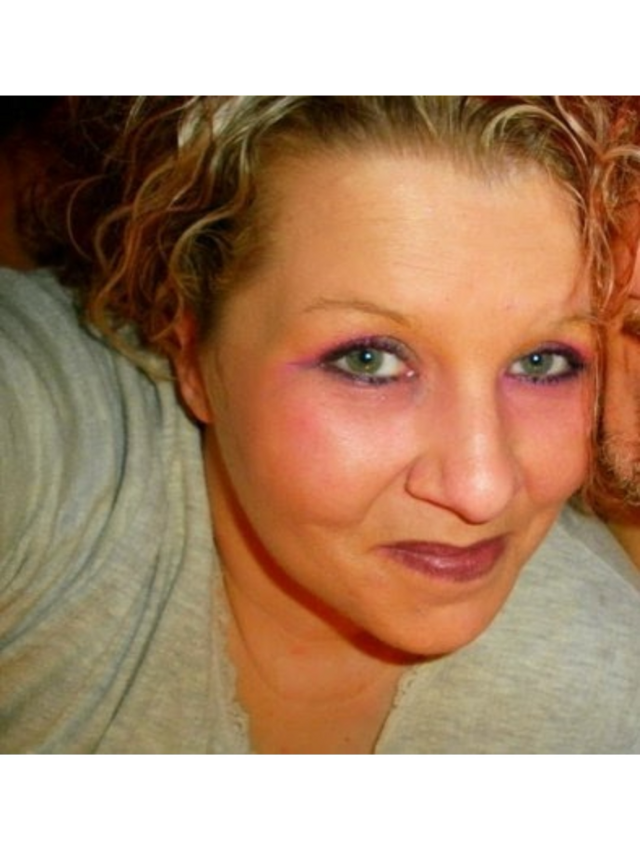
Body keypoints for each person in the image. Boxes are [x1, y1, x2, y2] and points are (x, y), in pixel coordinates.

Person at [2, 96, 640, 754]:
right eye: (369, 360)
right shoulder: (61, 441)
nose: (482, 488)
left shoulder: (603, 696)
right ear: (192, 352)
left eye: (542, 362)